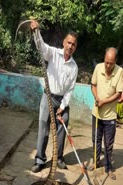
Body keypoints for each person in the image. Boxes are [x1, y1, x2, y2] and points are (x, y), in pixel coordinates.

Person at [30, 20, 78, 173]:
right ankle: (40, 160)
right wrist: (36, 32)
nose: (70, 46)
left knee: (62, 130)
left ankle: (58, 159)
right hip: (48, 96)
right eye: (68, 42)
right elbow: (41, 47)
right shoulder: (53, 53)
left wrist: (63, 106)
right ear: (64, 42)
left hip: (62, 100)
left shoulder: (74, 66)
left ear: (75, 47)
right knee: (43, 128)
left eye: (73, 44)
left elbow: (70, 89)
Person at [90, 47, 123, 180]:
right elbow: (93, 85)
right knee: (96, 140)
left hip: (110, 116)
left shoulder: (120, 71)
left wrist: (104, 101)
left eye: (111, 63)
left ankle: (109, 167)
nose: (108, 65)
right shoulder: (98, 68)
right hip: (97, 113)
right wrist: (97, 97)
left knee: (108, 144)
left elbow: (118, 93)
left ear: (115, 61)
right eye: (106, 62)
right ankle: (95, 162)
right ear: (104, 59)